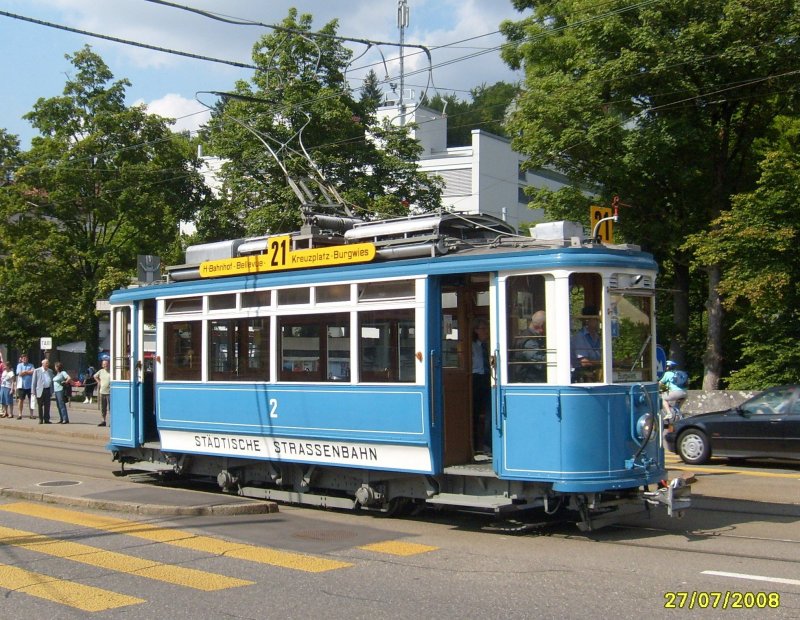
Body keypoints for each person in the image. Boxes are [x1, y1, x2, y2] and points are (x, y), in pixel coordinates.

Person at [471, 318, 491, 455]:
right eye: (483, 329)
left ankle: (487, 445)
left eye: (486, 329)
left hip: (489, 379)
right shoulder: (471, 346)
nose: (486, 332)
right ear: (476, 331)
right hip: (475, 379)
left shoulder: (490, 345)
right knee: (475, 412)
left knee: (490, 413)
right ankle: (473, 445)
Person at [514, 311, 547, 382]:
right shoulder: (529, 340)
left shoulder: (534, 337)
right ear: (542, 325)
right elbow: (539, 362)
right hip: (530, 380)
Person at [571, 305, 602, 380]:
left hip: (595, 373)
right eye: (596, 319)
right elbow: (584, 362)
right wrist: (606, 363)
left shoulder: (598, 337)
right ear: (587, 321)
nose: (599, 322)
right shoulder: (579, 337)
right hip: (581, 376)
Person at [30, 358, 54, 424]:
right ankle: (41, 419)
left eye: (48, 363)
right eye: (46, 363)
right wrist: (33, 391)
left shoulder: (50, 371)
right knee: (40, 405)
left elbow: (51, 382)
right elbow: (33, 382)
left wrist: (52, 391)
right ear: (42, 364)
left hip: (47, 390)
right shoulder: (37, 370)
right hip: (40, 390)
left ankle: (46, 419)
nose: (47, 364)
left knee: (47, 405)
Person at [15, 354, 35, 419]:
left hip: (30, 386)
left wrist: (25, 372)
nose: (25, 359)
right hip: (21, 386)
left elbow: (33, 372)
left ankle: (31, 415)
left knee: (31, 400)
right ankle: (20, 414)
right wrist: (28, 372)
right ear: (21, 359)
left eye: (26, 358)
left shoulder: (31, 365)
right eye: (23, 358)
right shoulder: (19, 365)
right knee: (21, 400)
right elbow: (19, 374)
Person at [95, 359, 111, 427]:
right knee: (103, 408)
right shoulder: (101, 371)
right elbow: (95, 376)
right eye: (104, 364)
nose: (105, 365)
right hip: (102, 392)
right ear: (102, 365)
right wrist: (99, 382)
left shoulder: (111, 371)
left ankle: (112, 422)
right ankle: (103, 421)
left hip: (110, 392)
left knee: (111, 408)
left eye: (106, 364)